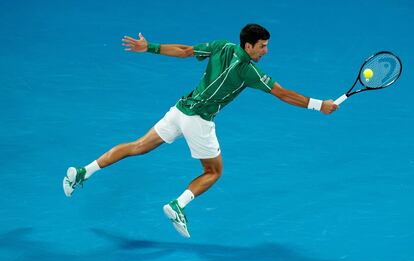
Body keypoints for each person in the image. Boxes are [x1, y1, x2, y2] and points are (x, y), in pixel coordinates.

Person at [63, 23, 338, 238]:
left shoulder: (221, 46)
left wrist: (149, 47)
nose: (265, 51)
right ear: (249, 45)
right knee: (214, 172)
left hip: (180, 110)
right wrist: (318, 105)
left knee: (137, 146)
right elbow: (283, 94)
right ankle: (178, 205)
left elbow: (184, 50)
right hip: (199, 121)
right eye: (262, 47)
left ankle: (84, 171)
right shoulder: (249, 71)